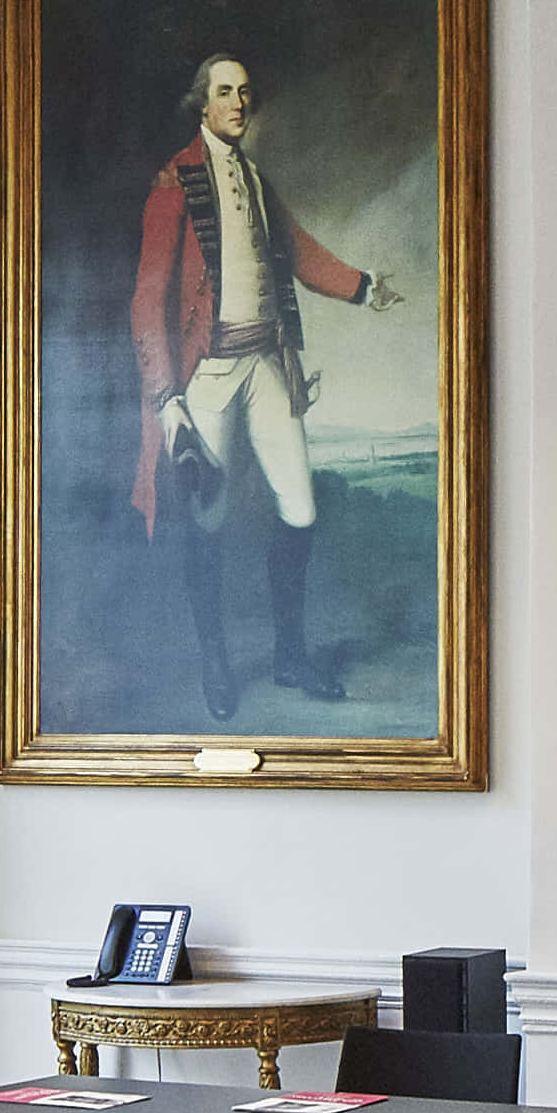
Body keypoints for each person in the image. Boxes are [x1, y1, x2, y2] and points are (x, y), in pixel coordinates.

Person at [128, 51, 406, 719]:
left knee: (301, 504)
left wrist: (365, 289)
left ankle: (289, 653)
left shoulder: (254, 178)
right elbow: (147, 297)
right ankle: (215, 662)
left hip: (266, 364)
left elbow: (300, 250)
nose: (239, 103)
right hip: (208, 374)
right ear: (204, 103)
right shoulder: (174, 183)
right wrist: (168, 401)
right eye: (226, 92)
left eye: (246, 92)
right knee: (209, 518)